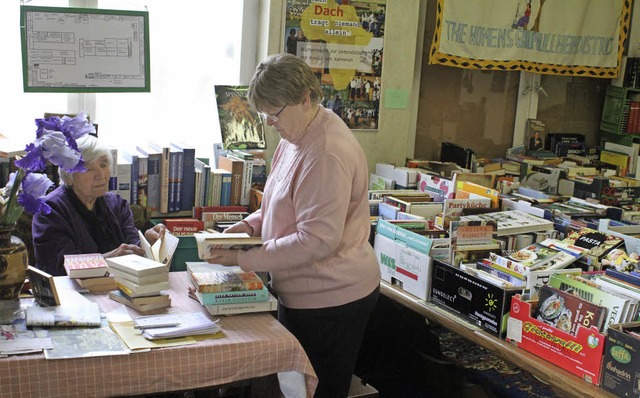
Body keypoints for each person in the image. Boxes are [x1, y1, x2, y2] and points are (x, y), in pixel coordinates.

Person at [206, 53, 380, 398]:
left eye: (275, 113)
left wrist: (244, 260)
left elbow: (316, 241)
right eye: (265, 114)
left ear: (304, 98)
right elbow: (280, 203)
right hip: (303, 289)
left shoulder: (325, 153)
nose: (270, 122)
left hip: (331, 297)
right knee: (294, 389)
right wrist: (250, 226)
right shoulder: (296, 133)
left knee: (316, 391)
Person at [32, 134, 165, 276]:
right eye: (88, 169)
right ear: (69, 176)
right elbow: (61, 267)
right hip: (68, 293)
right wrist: (107, 260)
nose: (101, 174)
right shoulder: (49, 210)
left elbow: (131, 243)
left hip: (113, 290)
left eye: (103, 164)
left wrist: (147, 244)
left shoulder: (117, 204)